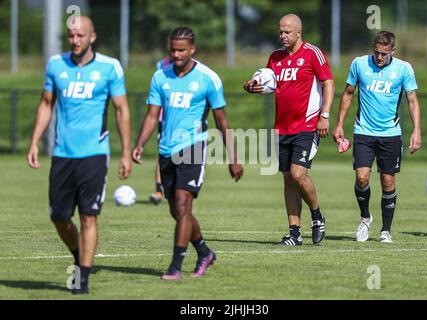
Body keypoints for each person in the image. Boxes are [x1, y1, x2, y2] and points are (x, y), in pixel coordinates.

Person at [27, 16, 132, 294]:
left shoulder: (110, 67)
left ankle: (82, 277)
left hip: (95, 154)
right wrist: (35, 142)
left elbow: (121, 110)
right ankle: (78, 254)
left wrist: (124, 153)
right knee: (59, 217)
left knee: (88, 217)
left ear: (92, 37)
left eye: (80, 36)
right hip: (62, 154)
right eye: (71, 36)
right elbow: (46, 104)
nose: (75, 41)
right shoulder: (56, 65)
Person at [132, 27, 244, 280]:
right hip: (165, 150)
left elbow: (222, 122)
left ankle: (175, 267)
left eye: (181, 50)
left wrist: (233, 157)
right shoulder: (160, 77)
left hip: (193, 147)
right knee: (177, 212)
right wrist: (139, 144)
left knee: (183, 207)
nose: (176, 54)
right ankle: (204, 251)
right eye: (173, 49)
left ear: (193, 49)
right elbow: (152, 115)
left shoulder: (208, 79)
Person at [243, 14, 335, 245]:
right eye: (280, 32)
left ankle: (317, 214)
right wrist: (251, 86)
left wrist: (324, 116)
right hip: (282, 127)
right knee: (287, 179)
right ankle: (294, 233)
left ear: (298, 33)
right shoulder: (275, 57)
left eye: (286, 32)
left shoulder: (312, 53)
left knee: (298, 174)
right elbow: (268, 83)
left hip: (306, 125)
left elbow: (329, 83)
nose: (282, 36)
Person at [332, 30, 421, 243]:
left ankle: (385, 231)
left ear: (393, 50)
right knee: (362, 177)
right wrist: (339, 124)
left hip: (391, 134)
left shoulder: (404, 69)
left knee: (387, 181)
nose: (379, 57)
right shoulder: (359, 64)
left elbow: (412, 100)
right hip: (363, 131)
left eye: (384, 53)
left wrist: (416, 130)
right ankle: (365, 218)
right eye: (376, 52)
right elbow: (348, 94)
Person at [149, 56, 172, 205]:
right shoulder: (161, 65)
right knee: (162, 153)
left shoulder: (194, 66)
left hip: (184, 118)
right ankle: (159, 190)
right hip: (164, 118)